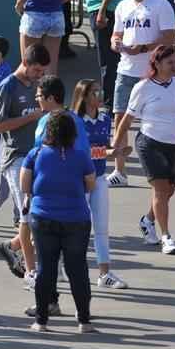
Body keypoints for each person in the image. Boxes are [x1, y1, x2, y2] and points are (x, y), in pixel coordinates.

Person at [110, 45, 175, 255]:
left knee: (168, 191)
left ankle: (147, 220)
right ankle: (166, 237)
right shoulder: (143, 87)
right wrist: (115, 147)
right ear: (156, 63)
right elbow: (126, 121)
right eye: (169, 63)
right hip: (150, 144)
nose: (174, 66)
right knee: (161, 190)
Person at [22, 111, 97, 333]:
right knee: (77, 269)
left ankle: (41, 321)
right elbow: (90, 184)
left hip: (43, 217)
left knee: (46, 269)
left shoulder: (35, 154)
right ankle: (84, 321)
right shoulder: (81, 156)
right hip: (76, 218)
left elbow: (25, 185)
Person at [109, 0, 175, 185]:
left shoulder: (160, 4)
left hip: (152, 73)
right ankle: (120, 171)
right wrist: (116, 42)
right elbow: (115, 35)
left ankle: (165, 166)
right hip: (126, 69)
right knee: (120, 117)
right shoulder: (122, 6)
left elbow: (169, 36)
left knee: (158, 119)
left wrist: (144, 48)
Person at [0, 44, 50, 283]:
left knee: (39, 214)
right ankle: (31, 270)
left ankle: (11, 246)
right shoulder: (8, 87)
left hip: (36, 155)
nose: (40, 75)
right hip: (15, 158)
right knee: (29, 215)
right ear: (25, 64)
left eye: (42, 71)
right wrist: (30, 117)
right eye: (36, 70)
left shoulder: (37, 86)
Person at [67, 78, 127, 288]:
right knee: (74, 227)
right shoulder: (74, 120)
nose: (99, 96)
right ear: (83, 96)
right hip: (78, 180)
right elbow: (78, 152)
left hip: (99, 177)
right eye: (94, 93)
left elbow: (104, 146)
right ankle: (62, 269)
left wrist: (113, 151)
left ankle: (105, 273)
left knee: (101, 227)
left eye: (100, 92)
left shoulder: (104, 118)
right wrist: (108, 152)